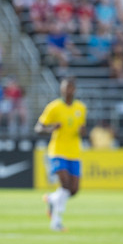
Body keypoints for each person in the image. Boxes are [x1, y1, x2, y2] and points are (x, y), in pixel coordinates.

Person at [35, 77, 87, 232]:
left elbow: (81, 128)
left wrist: (83, 132)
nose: (67, 90)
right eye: (65, 87)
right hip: (57, 151)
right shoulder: (54, 107)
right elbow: (38, 128)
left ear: (74, 90)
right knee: (65, 184)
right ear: (61, 89)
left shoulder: (81, 108)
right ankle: (56, 222)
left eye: (70, 87)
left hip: (74, 152)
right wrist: (51, 128)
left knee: (74, 190)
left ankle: (52, 199)